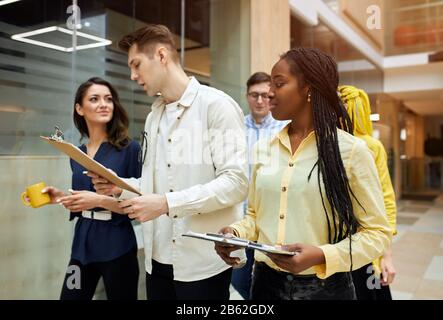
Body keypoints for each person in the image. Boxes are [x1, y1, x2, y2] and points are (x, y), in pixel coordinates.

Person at [214, 47, 392, 300]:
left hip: (325, 290)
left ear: (308, 87)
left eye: (279, 83)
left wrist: (322, 255)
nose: (270, 93)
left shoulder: (351, 151)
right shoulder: (264, 149)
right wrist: (235, 234)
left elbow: (377, 233)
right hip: (265, 284)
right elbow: (255, 216)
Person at [89, 24, 248, 300]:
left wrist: (167, 203)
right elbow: (155, 186)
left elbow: (236, 183)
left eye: (136, 65)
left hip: (201, 263)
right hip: (157, 260)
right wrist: (118, 186)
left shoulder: (216, 106)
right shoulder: (154, 117)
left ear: (161, 56)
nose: (132, 75)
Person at [42, 77, 141, 300]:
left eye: (108, 99)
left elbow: (140, 204)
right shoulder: (76, 153)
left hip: (118, 245)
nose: (104, 104)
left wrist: (98, 201)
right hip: (82, 245)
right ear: (79, 108)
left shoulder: (130, 149)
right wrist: (60, 197)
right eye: (94, 99)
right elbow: (85, 195)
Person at [231, 72, 287, 300]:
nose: (260, 100)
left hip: (271, 222)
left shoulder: (284, 128)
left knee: (272, 282)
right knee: (238, 279)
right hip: (241, 220)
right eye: (255, 95)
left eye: (265, 95)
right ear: (247, 96)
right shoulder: (235, 127)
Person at [339, 85, 397, 300]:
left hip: (366, 245)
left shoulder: (371, 146)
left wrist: (387, 255)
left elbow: (386, 201)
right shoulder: (323, 143)